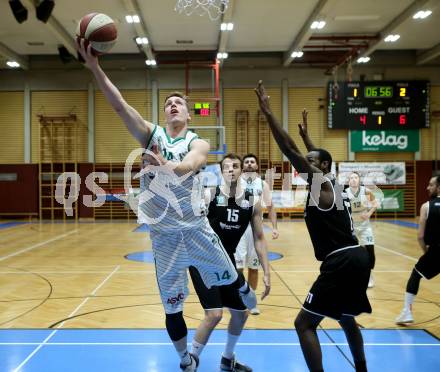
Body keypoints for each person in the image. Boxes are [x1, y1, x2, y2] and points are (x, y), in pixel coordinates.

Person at [77, 40, 241, 372]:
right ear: (163, 113)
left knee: (230, 289)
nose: (173, 105)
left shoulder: (198, 141)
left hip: (195, 231)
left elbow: (190, 165)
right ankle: (185, 358)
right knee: (172, 309)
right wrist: (95, 67)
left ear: (189, 113)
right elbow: (120, 106)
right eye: (168, 103)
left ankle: (228, 337)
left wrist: (163, 164)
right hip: (164, 237)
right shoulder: (151, 136)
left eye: (179, 102)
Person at [255, 80, 371, 372]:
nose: (302, 165)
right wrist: (309, 140)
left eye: (309, 162)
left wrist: (269, 113)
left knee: (303, 324)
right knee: (346, 317)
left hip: (341, 260)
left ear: (321, 167)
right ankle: (362, 369)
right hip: (357, 256)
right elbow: (316, 158)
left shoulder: (321, 183)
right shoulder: (328, 181)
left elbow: (291, 151)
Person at [189, 153, 271, 372]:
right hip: (203, 262)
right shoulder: (209, 196)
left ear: (241, 171)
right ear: (221, 171)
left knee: (240, 313)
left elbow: (260, 238)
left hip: (227, 265)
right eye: (227, 166)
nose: (232, 169)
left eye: (236, 166)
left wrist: (267, 272)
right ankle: (191, 360)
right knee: (215, 314)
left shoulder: (251, 202)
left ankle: (227, 359)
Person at [235, 153, 278, 315]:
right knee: (238, 268)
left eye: (253, 161)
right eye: (246, 162)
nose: (249, 164)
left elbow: (271, 207)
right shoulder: (235, 183)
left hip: (255, 229)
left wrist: (274, 227)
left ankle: (250, 303)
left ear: (257, 166)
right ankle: (235, 299)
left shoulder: (263, 184)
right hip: (238, 228)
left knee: (254, 267)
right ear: (242, 166)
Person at [395, 175, 440, 324]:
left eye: (431, 185)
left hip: (436, 251)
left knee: (416, 274)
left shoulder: (427, 206)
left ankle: (406, 312)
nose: (428, 187)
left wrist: (427, 253)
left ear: (439, 187)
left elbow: (420, 236)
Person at [346, 172, 378, 288]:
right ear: (348, 181)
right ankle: (352, 275)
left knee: (370, 252)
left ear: (359, 180)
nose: (353, 180)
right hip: (351, 227)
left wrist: (369, 213)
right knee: (351, 253)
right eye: (351, 178)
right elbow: (340, 210)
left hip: (365, 226)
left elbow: (375, 204)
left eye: (355, 177)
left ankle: (369, 275)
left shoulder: (366, 191)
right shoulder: (345, 193)